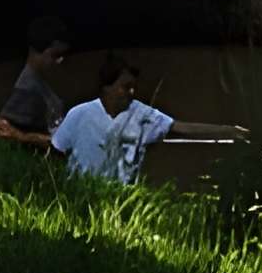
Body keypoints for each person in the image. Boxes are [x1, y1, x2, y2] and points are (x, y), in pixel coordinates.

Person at [52, 55, 176, 184]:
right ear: (107, 87)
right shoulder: (79, 114)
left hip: (120, 195)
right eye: (126, 87)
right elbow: (57, 149)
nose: (132, 92)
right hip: (82, 191)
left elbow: (173, 126)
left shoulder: (140, 113)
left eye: (133, 87)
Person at [0, 15, 72, 152]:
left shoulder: (43, 80)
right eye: (55, 55)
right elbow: (4, 133)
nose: (60, 61)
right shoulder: (26, 91)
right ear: (37, 51)